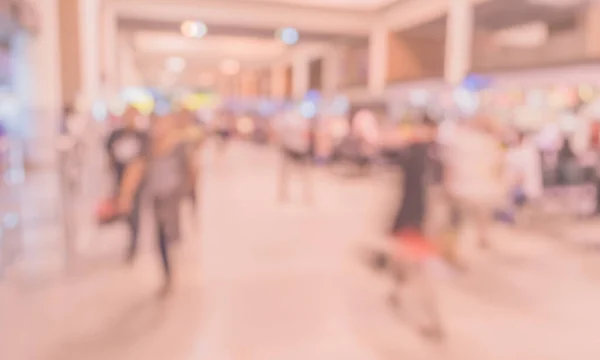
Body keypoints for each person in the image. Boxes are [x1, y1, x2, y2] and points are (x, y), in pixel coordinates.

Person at [119, 113, 194, 295]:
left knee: (171, 230)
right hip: (156, 197)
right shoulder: (148, 147)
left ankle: (172, 256)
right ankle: (167, 272)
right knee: (160, 233)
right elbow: (135, 170)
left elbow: (191, 169)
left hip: (172, 196)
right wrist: (125, 196)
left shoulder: (180, 146)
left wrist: (189, 194)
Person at [444, 115, 505, 252]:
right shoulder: (492, 142)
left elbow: (450, 164)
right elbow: (498, 166)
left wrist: (447, 184)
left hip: (460, 186)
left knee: (457, 219)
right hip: (483, 188)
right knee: (481, 216)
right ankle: (482, 238)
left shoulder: (459, 140)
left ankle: (453, 246)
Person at [106, 106, 148, 196]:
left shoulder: (142, 137)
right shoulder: (115, 135)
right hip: (115, 178)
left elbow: (142, 161)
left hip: (135, 185)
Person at [277, 109, 313, 204]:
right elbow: (306, 137)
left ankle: (283, 194)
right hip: (298, 150)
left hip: (292, 149)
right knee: (302, 175)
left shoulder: (286, 121)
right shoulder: (303, 122)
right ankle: (306, 195)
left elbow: (280, 135)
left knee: (286, 175)